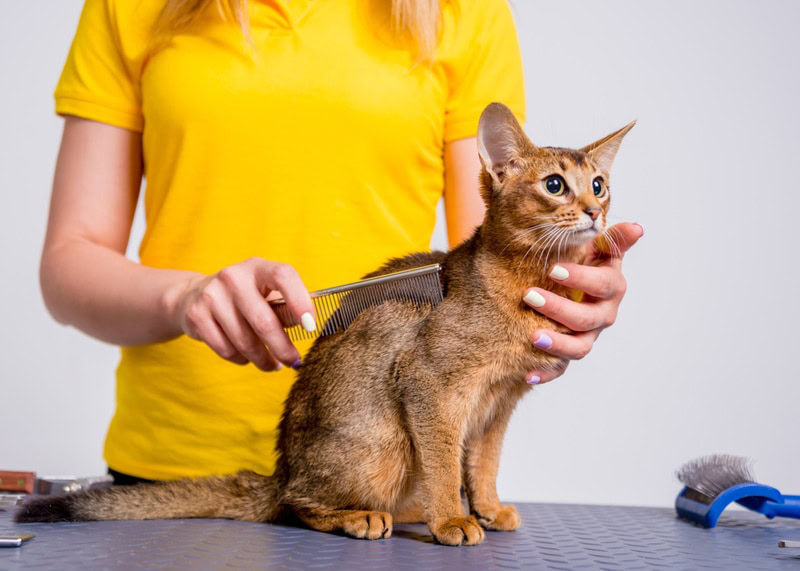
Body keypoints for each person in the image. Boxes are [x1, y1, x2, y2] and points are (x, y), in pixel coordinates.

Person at [42, 0, 642, 485]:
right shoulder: (127, 6)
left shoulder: (464, 11)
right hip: (172, 468)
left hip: (390, 470)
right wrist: (183, 297)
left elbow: (495, 250)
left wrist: (569, 288)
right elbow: (69, 264)